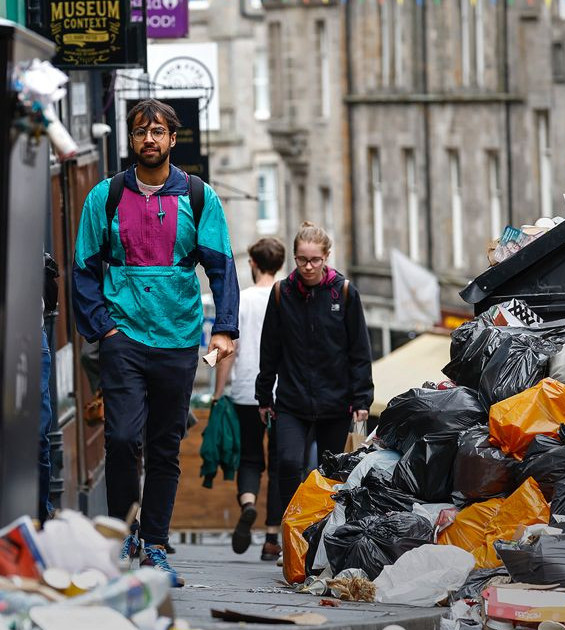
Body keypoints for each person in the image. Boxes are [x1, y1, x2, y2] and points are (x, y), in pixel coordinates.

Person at [72, 99, 239, 583]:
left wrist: (224, 326)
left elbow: (222, 266)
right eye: (142, 131)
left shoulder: (198, 196)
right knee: (122, 438)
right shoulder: (105, 197)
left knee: (165, 445)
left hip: (179, 337)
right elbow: (84, 268)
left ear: (172, 139)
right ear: (130, 139)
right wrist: (103, 327)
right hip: (122, 334)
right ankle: (126, 533)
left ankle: (155, 546)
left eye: (159, 132)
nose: (150, 139)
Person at [256, 222, 373, 527]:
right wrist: (263, 395)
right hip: (292, 400)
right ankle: (292, 528)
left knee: (330, 471)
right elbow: (270, 347)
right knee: (289, 463)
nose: (308, 267)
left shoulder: (345, 292)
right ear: (294, 258)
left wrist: (362, 398)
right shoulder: (282, 293)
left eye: (315, 260)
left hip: (336, 401)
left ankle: (321, 532)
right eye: (302, 260)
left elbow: (359, 349)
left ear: (326, 257)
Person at [214, 237, 285, 561]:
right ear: (281, 265)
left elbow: (227, 351)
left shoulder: (240, 300)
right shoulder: (287, 297)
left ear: (252, 264)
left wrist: (218, 393)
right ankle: (272, 536)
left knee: (251, 458)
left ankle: (248, 504)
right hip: (283, 392)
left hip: (246, 391)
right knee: (281, 464)